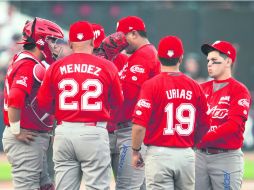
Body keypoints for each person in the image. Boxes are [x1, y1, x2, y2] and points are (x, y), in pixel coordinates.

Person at [37, 20, 124, 190]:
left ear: (70, 43)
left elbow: (43, 103)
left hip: (64, 131)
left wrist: (64, 112)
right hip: (93, 131)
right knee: (97, 186)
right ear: (92, 42)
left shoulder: (56, 67)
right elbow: (117, 103)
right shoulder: (107, 66)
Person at [131, 35, 210, 190]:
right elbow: (206, 123)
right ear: (181, 58)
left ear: (158, 57)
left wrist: (135, 151)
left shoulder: (150, 85)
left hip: (159, 154)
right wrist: (190, 144)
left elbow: (139, 126)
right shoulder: (194, 86)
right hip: (185, 154)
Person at [2, 17, 64, 190]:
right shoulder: (29, 65)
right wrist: (17, 130)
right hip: (26, 137)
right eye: (52, 40)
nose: (54, 45)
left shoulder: (28, 60)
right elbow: (15, 97)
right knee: (27, 186)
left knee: (45, 186)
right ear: (41, 40)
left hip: (34, 135)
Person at [112, 15, 161, 189]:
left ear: (133, 34)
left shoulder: (144, 55)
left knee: (126, 186)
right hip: (134, 128)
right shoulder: (139, 55)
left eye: (121, 37)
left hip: (136, 129)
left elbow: (129, 95)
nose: (119, 43)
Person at [195, 40, 252, 190]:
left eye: (214, 60)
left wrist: (200, 137)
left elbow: (234, 126)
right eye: (208, 60)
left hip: (225, 157)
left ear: (228, 61)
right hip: (199, 156)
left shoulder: (239, 90)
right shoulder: (200, 88)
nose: (209, 64)